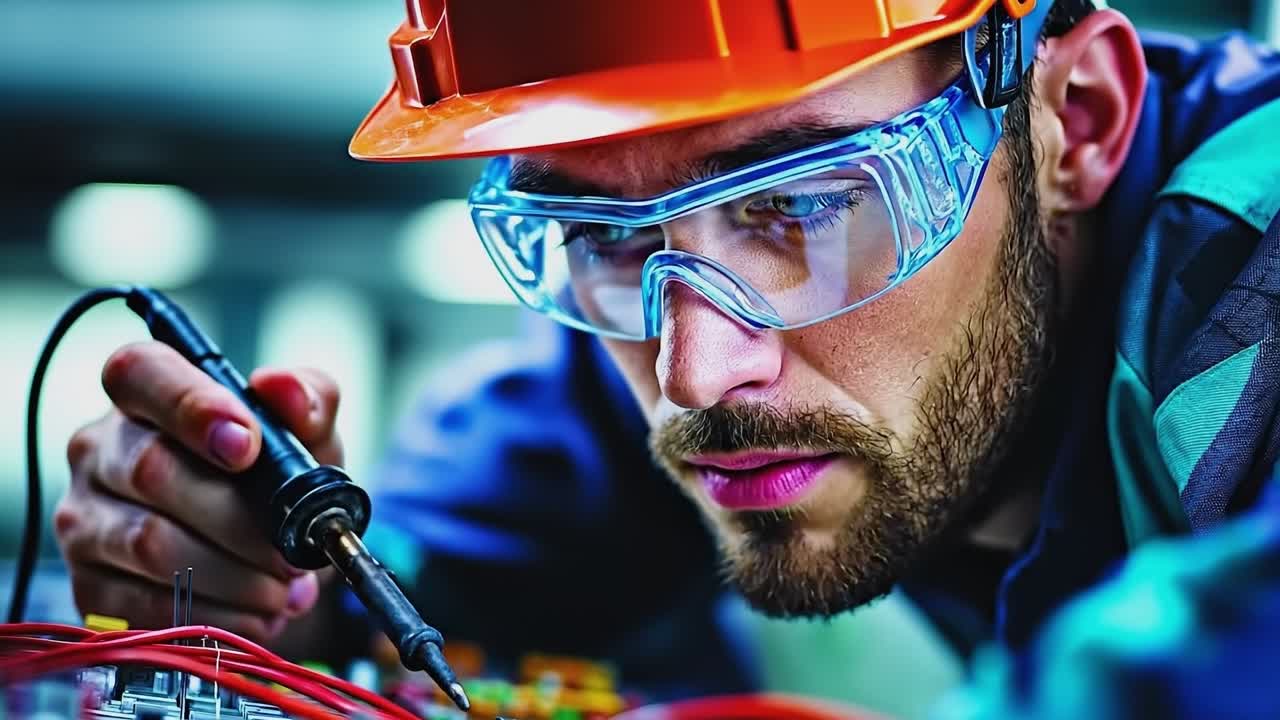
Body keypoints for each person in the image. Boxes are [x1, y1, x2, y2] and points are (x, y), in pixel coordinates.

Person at [52, 0, 1280, 715]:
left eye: (800, 206)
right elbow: (400, 592)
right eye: (599, 231)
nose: (693, 372)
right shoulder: (661, 335)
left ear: (1075, 121)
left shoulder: (1254, 281)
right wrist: (258, 573)